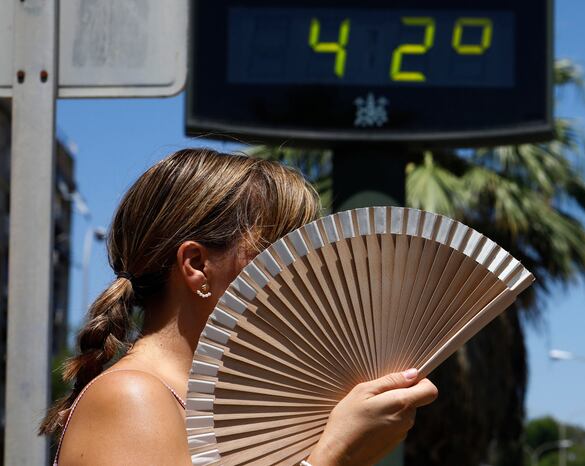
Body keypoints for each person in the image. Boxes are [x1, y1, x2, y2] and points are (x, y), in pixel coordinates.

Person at [40, 149, 438, 465]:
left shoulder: (230, 410)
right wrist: (334, 456)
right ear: (197, 266)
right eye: (280, 254)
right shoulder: (133, 397)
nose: (305, 275)